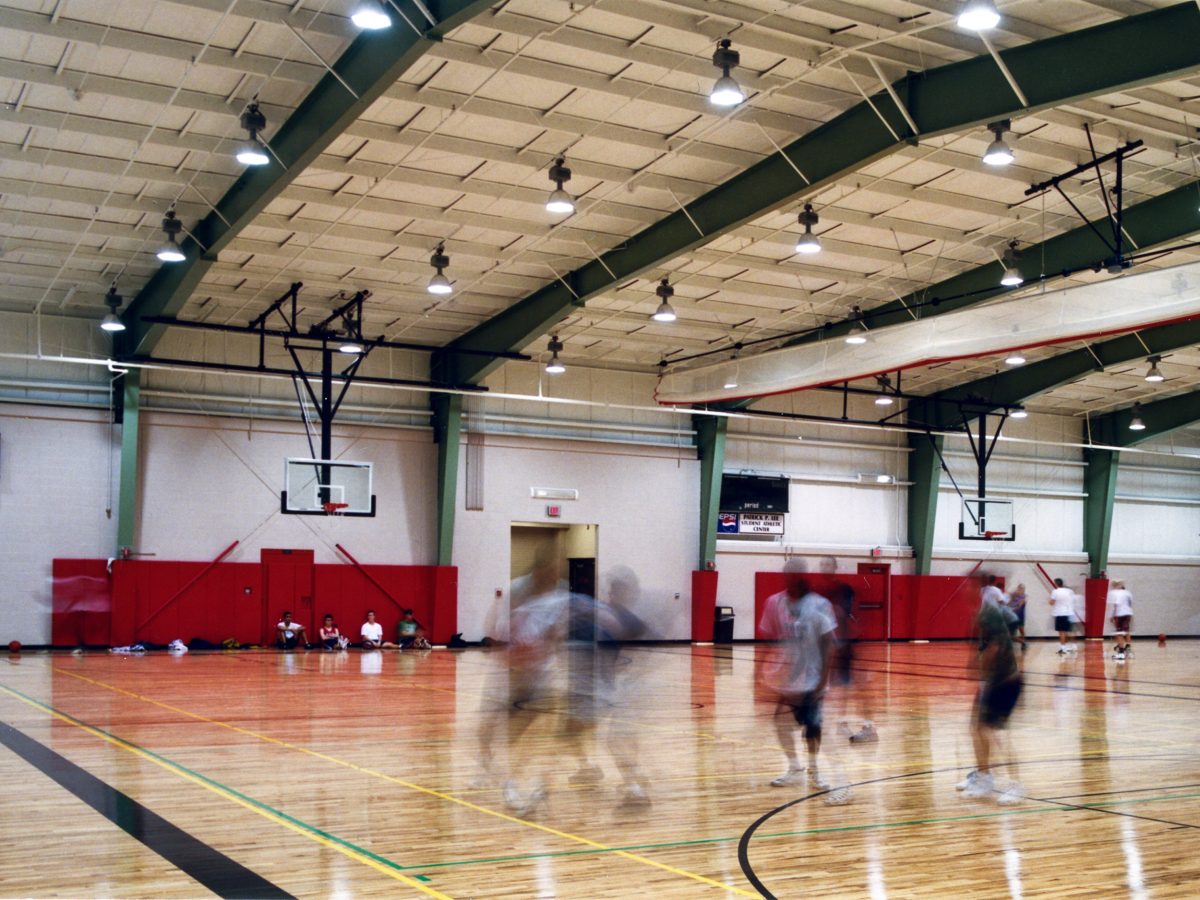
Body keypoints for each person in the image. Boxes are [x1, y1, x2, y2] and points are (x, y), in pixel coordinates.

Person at [759, 560, 839, 792]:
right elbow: (768, 639)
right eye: (787, 574)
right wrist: (759, 674)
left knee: (812, 726)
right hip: (786, 678)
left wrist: (823, 680)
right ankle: (794, 768)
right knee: (781, 722)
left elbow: (829, 644)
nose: (791, 578)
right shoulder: (774, 602)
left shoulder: (819, 605)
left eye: (796, 574)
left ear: (802, 575)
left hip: (813, 677)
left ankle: (814, 770)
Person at [958, 602, 1023, 803]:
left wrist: (975, 666)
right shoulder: (987, 636)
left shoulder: (995, 637)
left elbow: (983, 662)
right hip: (991, 683)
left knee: (997, 734)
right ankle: (984, 776)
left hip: (1005, 685)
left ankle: (1016, 785)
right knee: (976, 729)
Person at [1107, 579, 1134, 660]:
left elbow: (1116, 605)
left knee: (1119, 633)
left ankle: (1121, 653)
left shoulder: (1115, 593)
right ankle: (1128, 647)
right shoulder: (1127, 592)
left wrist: (1112, 616)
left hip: (1120, 614)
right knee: (1126, 631)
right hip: (1128, 613)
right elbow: (1130, 603)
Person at [1049, 578, 1077, 653]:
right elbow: (1074, 600)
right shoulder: (1070, 591)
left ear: (1056, 584)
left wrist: (1049, 601)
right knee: (1069, 631)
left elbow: (1052, 602)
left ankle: (1063, 648)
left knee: (1061, 632)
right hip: (1070, 613)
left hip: (1060, 613)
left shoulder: (1055, 591)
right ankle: (1073, 646)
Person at [1007, 583, 1027, 650]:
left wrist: (1012, 609)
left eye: (1021, 589)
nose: (1019, 590)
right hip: (1012, 617)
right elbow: (1008, 603)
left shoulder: (1024, 597)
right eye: (1019, 588)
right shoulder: (1014, 596)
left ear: (1023, 590)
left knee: (1021, 630)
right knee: (1011, 632)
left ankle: (1023, 643)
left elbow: (1019, 606)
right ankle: (1013, 643)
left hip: (1020, 616)